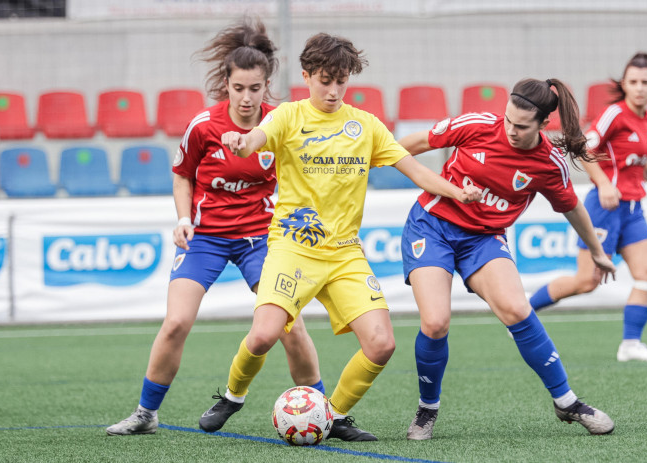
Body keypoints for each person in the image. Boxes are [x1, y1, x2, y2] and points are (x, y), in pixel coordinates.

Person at [197, 32, 480, 442]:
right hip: (293, 248)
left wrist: (458, 191)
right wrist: (240, 142)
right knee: (262, 335)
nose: (332, 90)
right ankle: (232, 396)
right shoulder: (287, 117)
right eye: (325, 80)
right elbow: (252, 142)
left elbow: (417, 172)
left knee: (381, 344)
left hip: (344, 254)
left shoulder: (365, 126)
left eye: (341, 81)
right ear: (307, 76)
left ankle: (330, 416)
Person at [106, 17, 324, 436]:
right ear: (226, 84)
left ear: (266, 86)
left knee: (290, 325)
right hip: (205, 238)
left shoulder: (279, 124)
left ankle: (327, 410)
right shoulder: (203, 126)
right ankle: (146, 414)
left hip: (261, 239)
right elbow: (182, 174)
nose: (246, 98)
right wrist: (184, 219)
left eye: (254, 88)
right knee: (176, 323)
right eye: (238, 88)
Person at [399, 78, 618, 441]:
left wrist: (597, 252)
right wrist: (366, 168)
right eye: (508, 121)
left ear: (543, 125)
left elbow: (573, 208)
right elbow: (409, 146)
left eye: (521, 126)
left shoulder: (548, 164)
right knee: (435, 323)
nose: (510, 131)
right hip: (431, 226)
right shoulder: (477, 126)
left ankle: (566, 402)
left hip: (483, 239)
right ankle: (427, 409)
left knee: (517, 309)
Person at [529, 53, 647, 362]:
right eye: (633, 82)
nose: (639, 88)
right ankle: (523, 311)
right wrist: (604, 183)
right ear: (624, 84)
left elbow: (637, 161)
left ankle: (630, 345)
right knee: (586, 282)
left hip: (633, 209)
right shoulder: (614, 114)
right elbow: (581, 147)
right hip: (604, 207)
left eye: (645, 82)